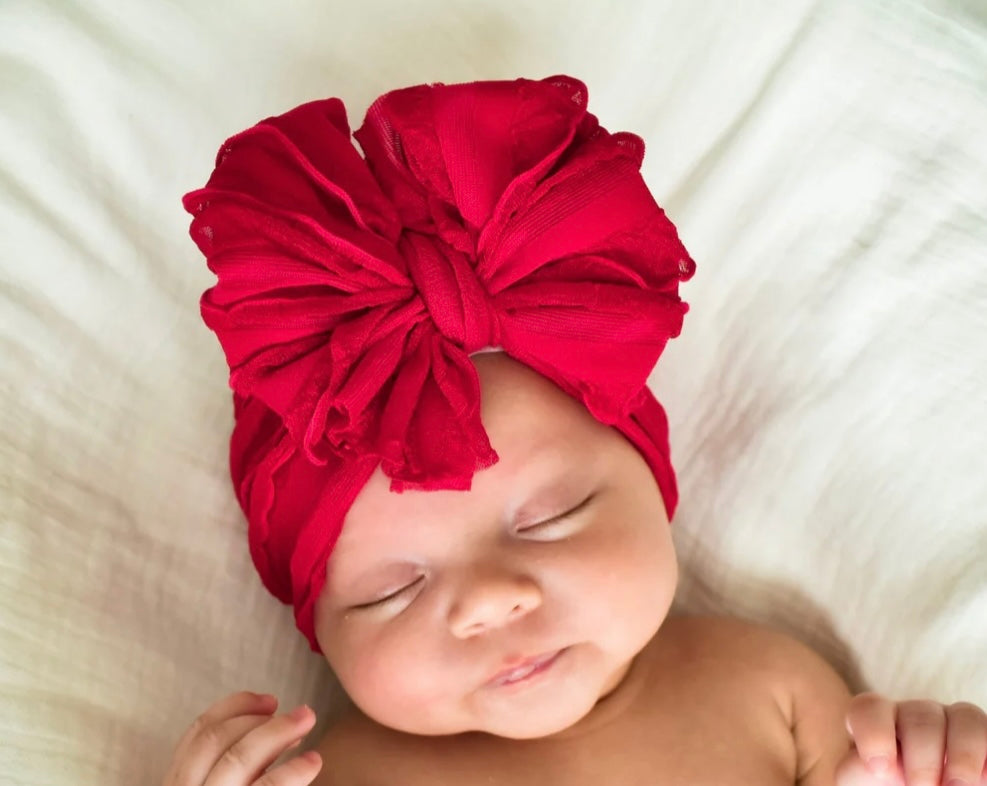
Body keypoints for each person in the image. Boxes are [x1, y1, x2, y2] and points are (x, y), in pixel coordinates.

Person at [167, 76, 987, 786]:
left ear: (653, 486)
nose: (490, 600)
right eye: (391, 592)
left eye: (553, 517)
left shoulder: (764, 686)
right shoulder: (329, 772)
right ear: (316, 628)